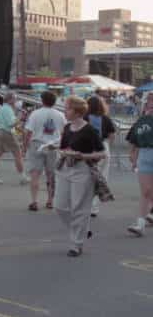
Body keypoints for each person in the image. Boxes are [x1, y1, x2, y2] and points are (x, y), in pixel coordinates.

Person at [52, 96, 105, 257]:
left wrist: (82, 155)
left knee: (79, 208)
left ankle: (76, 244)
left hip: (82, 170)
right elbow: (63, 147)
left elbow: (102, 153)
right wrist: (60, 151)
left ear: (76, 111)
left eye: (67, 108)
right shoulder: (67, 128)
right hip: (65, 168)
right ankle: (83, 230)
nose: (65, 111)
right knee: (59, 206)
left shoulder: (89, 130)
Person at [24, 91, 66, 212]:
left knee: (35, 174)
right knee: (51, 175)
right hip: (53, 145)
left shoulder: (35, 114)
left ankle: (34, 201)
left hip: (37, 144)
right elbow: (64, 132)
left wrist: (25, 146)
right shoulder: (60, 115)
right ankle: (50, 201)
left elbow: (28, 131)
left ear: (42, 101)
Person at [126, 95, 153, 236]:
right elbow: (133, 139)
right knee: (146, 191)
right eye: (149, 101)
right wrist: (133, 156)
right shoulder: (142, 120)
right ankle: (140, 224)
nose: (151, 103)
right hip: (145, 155)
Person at [87, 95, 117, 218]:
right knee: (101, 178)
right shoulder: (105, 118)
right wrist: (107, 146)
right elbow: (112, 135)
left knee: (87, 178)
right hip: (103, 148)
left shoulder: (85, 117)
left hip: (88, 149)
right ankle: (94, 207)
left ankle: (86, 205)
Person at [0, 93, 27, 185]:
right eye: (15, 99)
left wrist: (20, 129)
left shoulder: (2, 109)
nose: (16, 101)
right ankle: (23, 177)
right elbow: (11, 124)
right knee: (18, 154)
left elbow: (8, 123)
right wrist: (20, 117)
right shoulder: (8, 109)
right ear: (10, 100)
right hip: (7, 133)